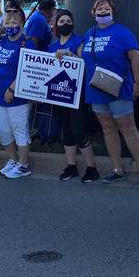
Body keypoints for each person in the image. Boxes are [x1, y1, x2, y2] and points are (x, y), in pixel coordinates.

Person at [80, 0, 139, 187]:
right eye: (99, 8)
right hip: (96, 89)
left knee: (128, 127)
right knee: (108, 128)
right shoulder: (89, 33)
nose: (102, 11)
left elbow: (135, 57)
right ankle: (117, 169)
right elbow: (81, 54)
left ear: (112, 11)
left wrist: (138, 82)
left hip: (118, 88)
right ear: (93, 13)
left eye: (106, 7)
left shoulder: (122, 33)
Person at [50, 10, 99, 183]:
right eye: (61, 21)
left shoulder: (79, 41)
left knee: (79, 131)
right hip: (57, 94)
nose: (65, 24)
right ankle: (71, 166)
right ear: (56, 24)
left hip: (76, 94)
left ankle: (91, 167)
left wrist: (71, 55)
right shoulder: (52, 46)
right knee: (67, 132)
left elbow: (84, 63)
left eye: (68, 20)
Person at [0, 10, 35, 179]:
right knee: (3, 131)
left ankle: (23, 165)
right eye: (7, 23)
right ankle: (13, 160)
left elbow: (27, 69)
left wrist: (12, 89)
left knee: (19, 130)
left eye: (14, 23)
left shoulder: (27, 43)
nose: (10, 26)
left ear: (21, 24)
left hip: (18, 97)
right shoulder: (0, 42)